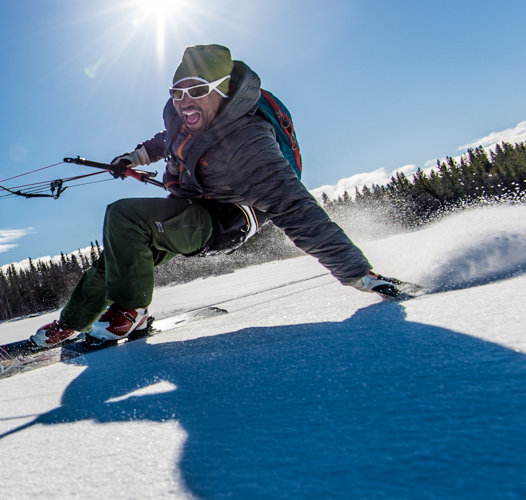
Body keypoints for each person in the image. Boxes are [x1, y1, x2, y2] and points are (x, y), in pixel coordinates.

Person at [33, 44, 407, 348]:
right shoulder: (183, 114)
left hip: (230, 219)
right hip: (192, 206)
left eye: (196, 91)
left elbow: (294, 207)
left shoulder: (248, 142)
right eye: (177, 93)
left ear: (223, 90)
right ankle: (71, 323)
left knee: (124, 216)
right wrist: (134, 158)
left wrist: (357, 273)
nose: (184, 101)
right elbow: (167, 140)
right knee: (118, 255)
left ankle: (131, 311)